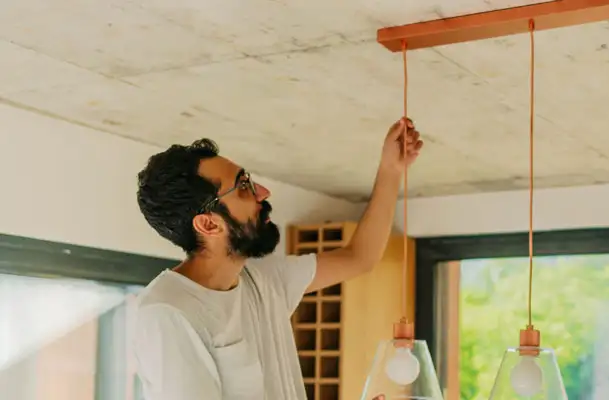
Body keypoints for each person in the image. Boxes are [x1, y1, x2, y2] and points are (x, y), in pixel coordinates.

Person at [129, 118, 422, 399]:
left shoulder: (261, 279)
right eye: (243, 187)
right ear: (208, 224)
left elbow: (360, 257)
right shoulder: (167, 314)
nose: (264, 192)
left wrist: (391, 170)